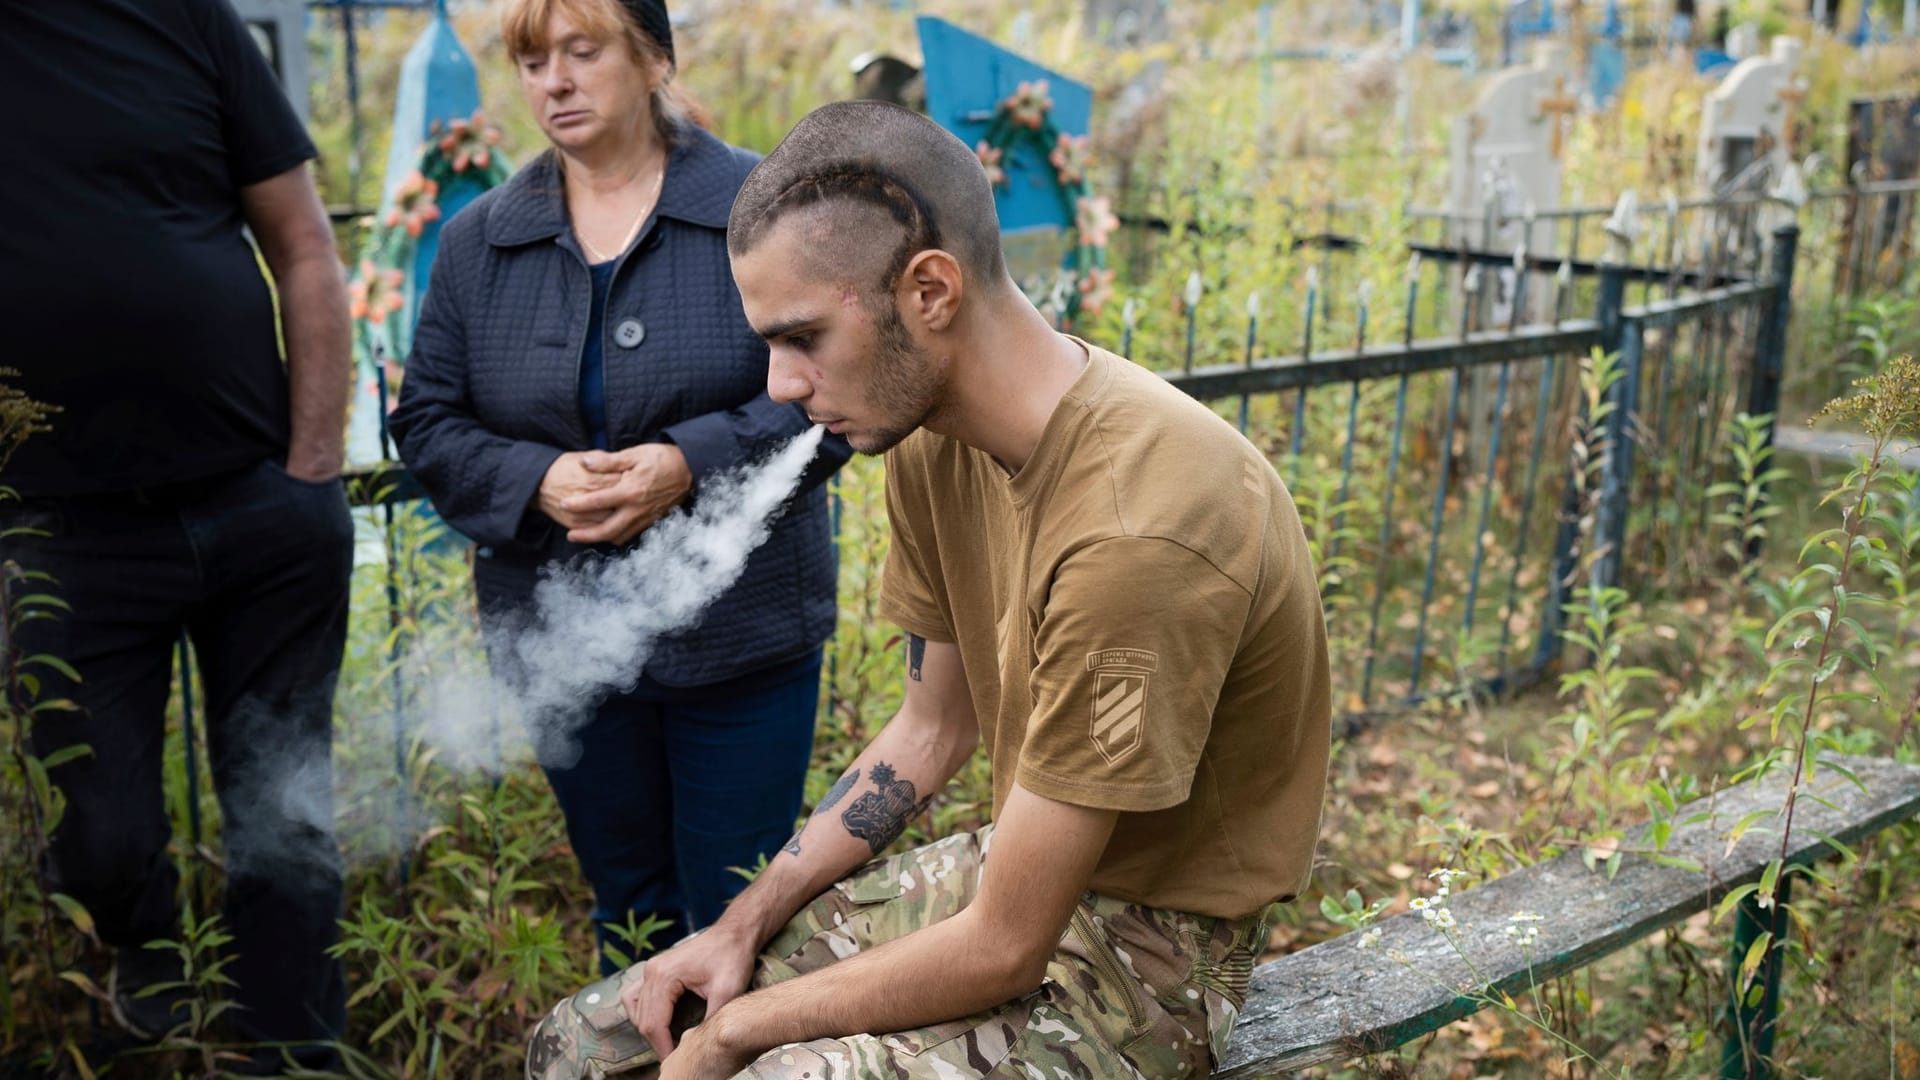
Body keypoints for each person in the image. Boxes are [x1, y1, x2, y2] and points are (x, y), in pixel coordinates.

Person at [525, 100, 1332, 1080]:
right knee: (587, 1040)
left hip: (1151, 957)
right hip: (1023, 879)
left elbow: (1004, 948)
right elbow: (929, 731)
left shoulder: (1140, 527)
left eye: (803, 336)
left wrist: (740, 1032)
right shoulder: (930, 433)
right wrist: (739, 929)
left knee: (742, 1063)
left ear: (932, 290)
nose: (779, 384)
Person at [389, 0, 851, 974]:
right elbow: (425, 420)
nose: (552, 80)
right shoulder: (482, 240)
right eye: (531, 59)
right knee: (629, 914)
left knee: (737, 923)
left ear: (651, 58)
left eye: (581, 50)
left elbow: (840, 389)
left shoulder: (761, 203)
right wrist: (537, 477)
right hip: (566, 652)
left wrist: (690, 461)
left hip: (741, 644)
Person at [0, 0, 353, 1071]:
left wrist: (314, 472)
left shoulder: (182, 18)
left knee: (282, 814)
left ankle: (293, 1044)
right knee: (94, 833)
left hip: (260, 503)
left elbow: (302, 243)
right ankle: (147, 948)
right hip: (58, 539)